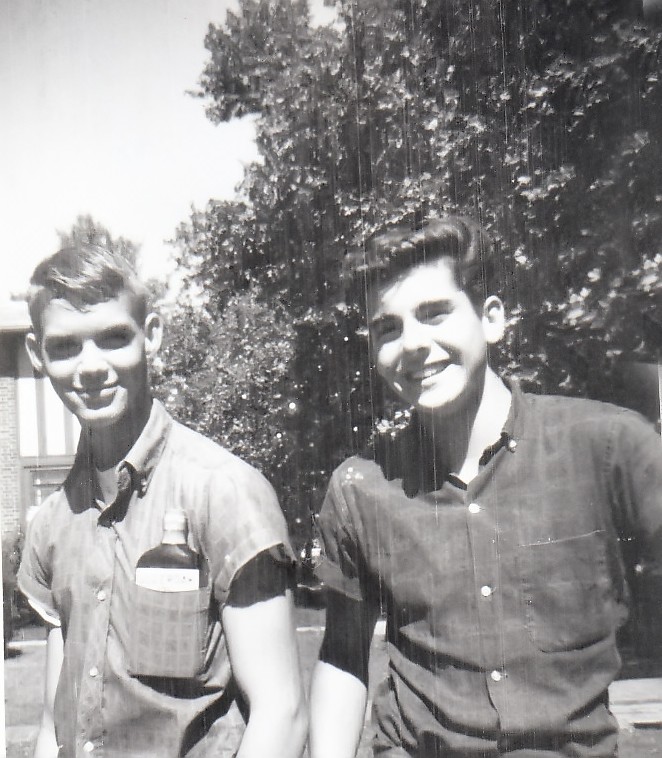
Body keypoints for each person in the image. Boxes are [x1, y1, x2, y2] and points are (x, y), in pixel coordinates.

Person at [309, 215, 662, 757]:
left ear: (491, 318)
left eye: (435, 314)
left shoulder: (609, 446)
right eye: (388, 328)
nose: (413, 344)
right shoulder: (360, 487)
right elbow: (342, 655)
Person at [17, 244, 307, 758]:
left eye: (113, 338)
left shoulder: (223, 491)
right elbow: (52, 726)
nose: (91, 366)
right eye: (65, 347)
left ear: (150, 335)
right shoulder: (53, 521)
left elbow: (281, 714)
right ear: (37, 356)